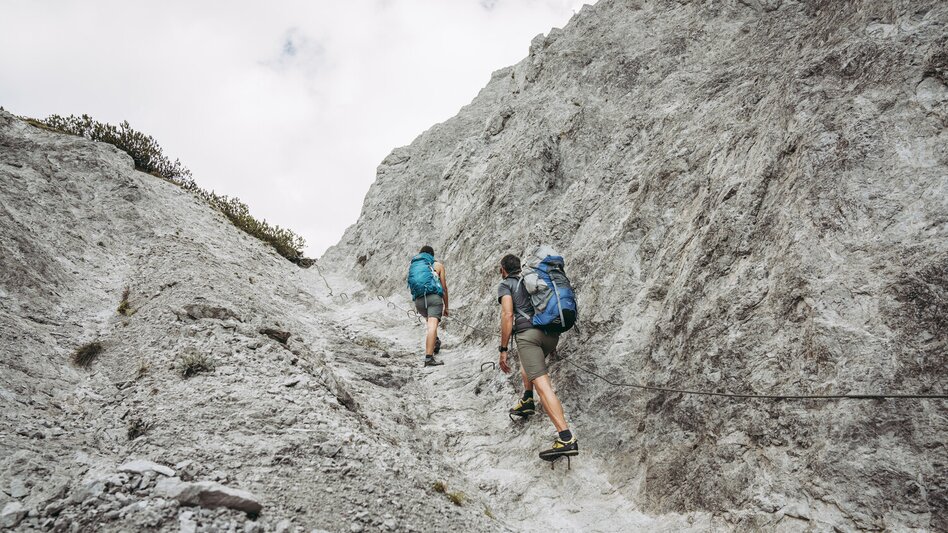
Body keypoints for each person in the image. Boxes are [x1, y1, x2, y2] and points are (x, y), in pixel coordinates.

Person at [497, 253, 578, 462]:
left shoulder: (506, 285)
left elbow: (507, 316)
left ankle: (566, 437)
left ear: (503, 270)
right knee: (531, 367)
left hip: (528, 337)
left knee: (543, 387)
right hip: (551, 336)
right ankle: (527, 399)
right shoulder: (533, 279)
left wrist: (503, 349)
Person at [407, 245, 449, 367]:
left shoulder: (415, 266)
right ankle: (429, 358)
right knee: (432, 326)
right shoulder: (438, 265)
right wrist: (446, 307)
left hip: (419, 301)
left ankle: (435, 341)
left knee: (429, 321)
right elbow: (444, 287)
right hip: (434, 299)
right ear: (432, 255)